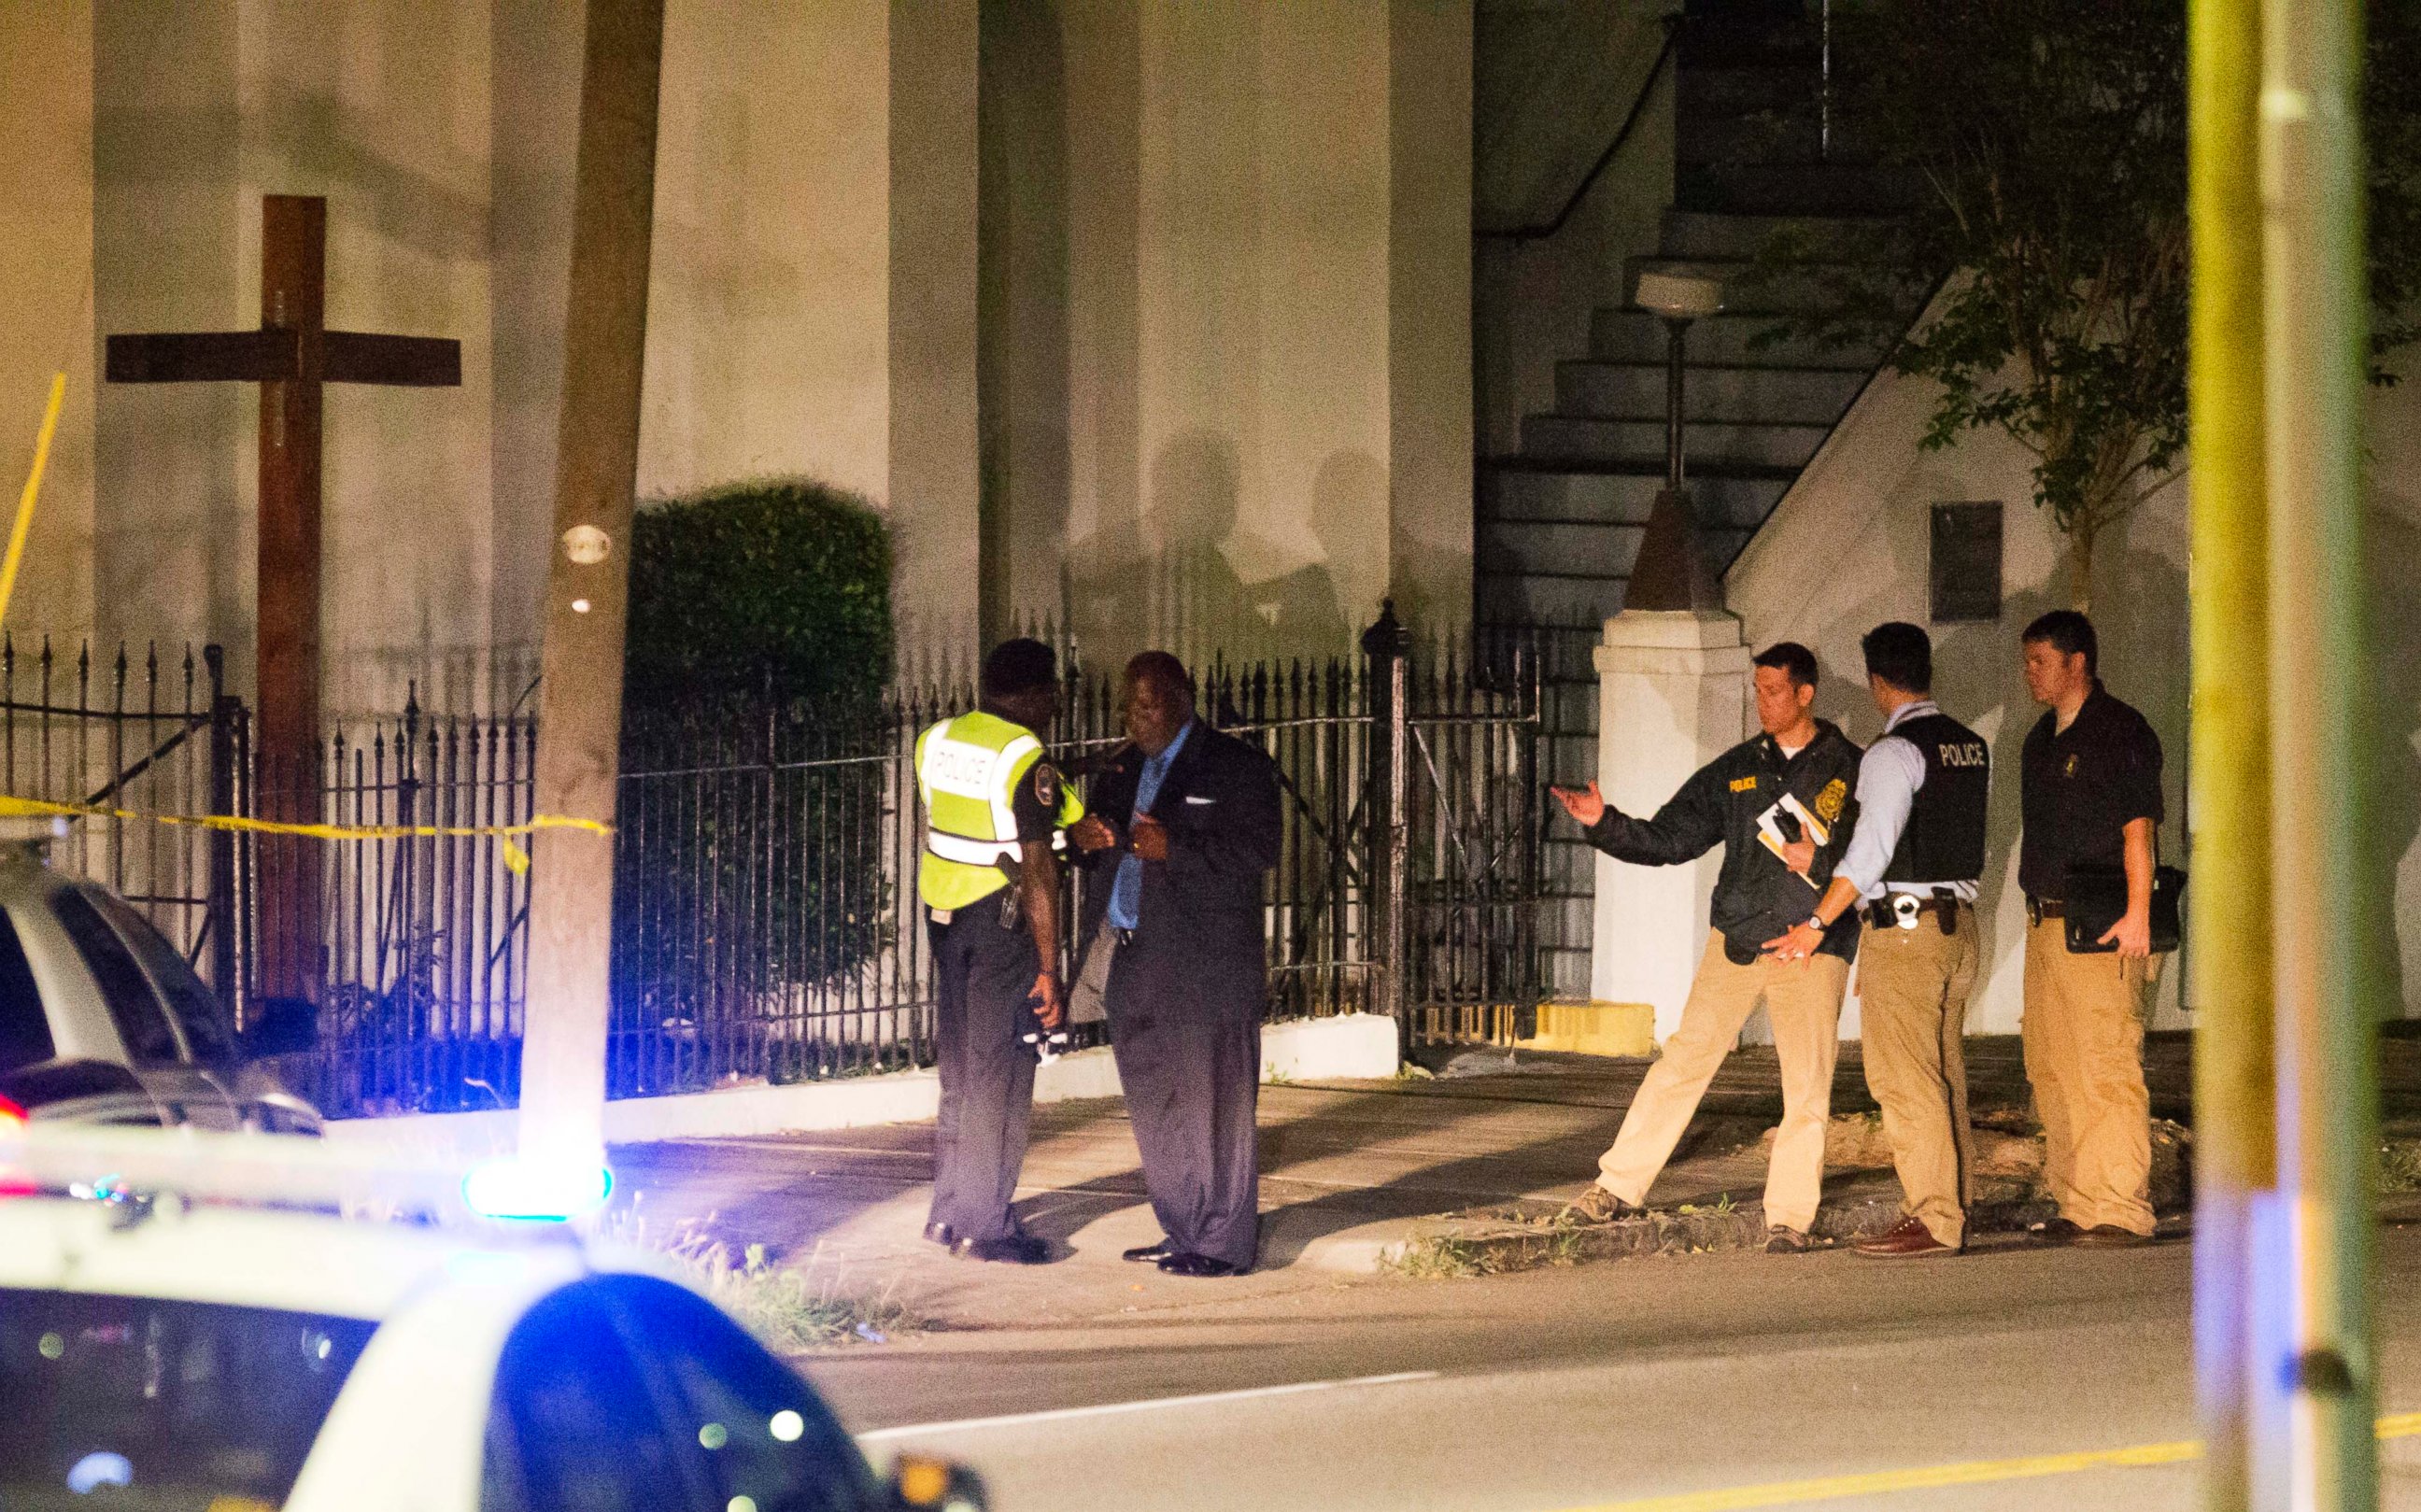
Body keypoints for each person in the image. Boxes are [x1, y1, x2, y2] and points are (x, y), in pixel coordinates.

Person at [1551, 643, 1863, 1252]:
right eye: (1757, 689)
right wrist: (1603, 821)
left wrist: (1837, 919)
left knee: (1807, 1084)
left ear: (1806, 693)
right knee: (1684, 1060)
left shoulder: (1851, 766)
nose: (1763, 701)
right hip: (1738, 941)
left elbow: (1870, 859)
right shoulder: (1739, 767)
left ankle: (1790, 1218)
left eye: (1774, 690)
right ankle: (1616, 1185)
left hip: (1811, 946)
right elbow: (1671, 836)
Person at [1765, 623, 1989, 1259]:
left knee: (1902, 1078)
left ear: (1878, 683)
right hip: (1956, 925)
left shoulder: (1892, 752)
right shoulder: (1968, 745)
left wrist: (1816, 924)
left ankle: (1935, 1216)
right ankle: (1956, 1202)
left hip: (1910, 928)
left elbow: (1870, 854)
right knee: (1942, 1073)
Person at [1068, 652, 1281, 1278]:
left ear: (1185, 695)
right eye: (1130, 704)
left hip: (1207, 964)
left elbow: (1259, 848)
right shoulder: (1120, 767)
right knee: (1155, 1102)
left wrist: (1177, 848)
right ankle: (1183, 1227)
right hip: (1133, 955)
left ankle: (1223, 1242)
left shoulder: (1235, 765)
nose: (1138, 714)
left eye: (1150, 700)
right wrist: (1084, 841)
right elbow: (1098, 844)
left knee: (1215, 1103)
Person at [913, 637, 1083, 1265]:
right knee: (1001, 1075)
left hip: (943, 916)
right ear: (1035, 693)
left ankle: (948, 1211)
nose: (1059, 701)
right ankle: (986, 1226)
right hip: (999, 922)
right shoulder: (1024, 756)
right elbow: (1038, 870)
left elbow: (972, 819)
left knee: (959, 1069)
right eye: (1055, 690)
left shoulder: (935, 739)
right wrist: (1048, 967)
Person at [2015, 610, 2164, 1247]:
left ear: (2077, 663)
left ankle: (2122, 1204)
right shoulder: (2039, 740)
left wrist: (2139, 913)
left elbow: (2139, 829)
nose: (2030, 674)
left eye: (2040, 661)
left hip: (2104, 924)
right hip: (2046, 923)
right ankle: (2076, 1198)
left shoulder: (2120, 731)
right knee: (2050, 1063)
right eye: (2028, 662)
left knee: (2105, 1062)